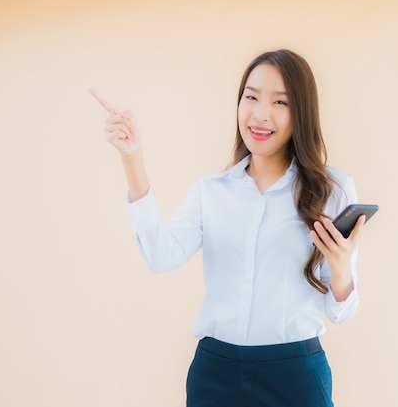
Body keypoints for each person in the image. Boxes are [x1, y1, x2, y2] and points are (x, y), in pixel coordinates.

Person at [91, 49, 367, 407]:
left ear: (301, 113)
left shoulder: (334, 190)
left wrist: (342, 269)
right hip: (215, 374)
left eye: (279, 102)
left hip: (295, 375)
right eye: (251, 97)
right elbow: (160, 257)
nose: (260, 114)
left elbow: (340, 312)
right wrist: (132, 159)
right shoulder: (210, 191)